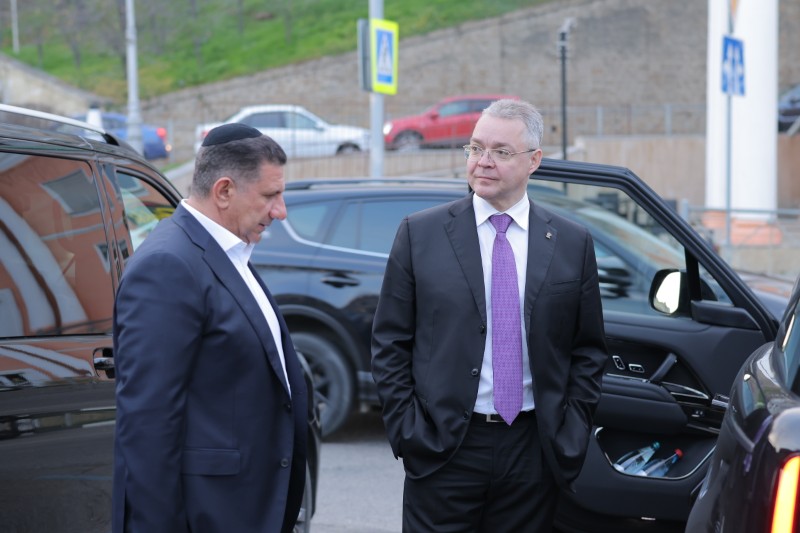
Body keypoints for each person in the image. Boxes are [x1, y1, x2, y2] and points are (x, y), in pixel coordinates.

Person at [371, 98, 608, 532]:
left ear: (534, 160)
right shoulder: (420, 234)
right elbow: (390, 343)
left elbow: (588, 349)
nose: (483, 161)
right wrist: (410, 432)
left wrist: (570, 432)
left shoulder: (571, 242)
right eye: (476, 148)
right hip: (444, 447)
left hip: (533, 449)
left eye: (501, 151)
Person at [112, 123, 307, 533]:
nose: (280, 211)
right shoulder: (168, 265)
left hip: (245, 507)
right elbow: (148, 423)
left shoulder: (227, 252)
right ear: (224, 191)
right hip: (210, 514)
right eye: (270, 196)